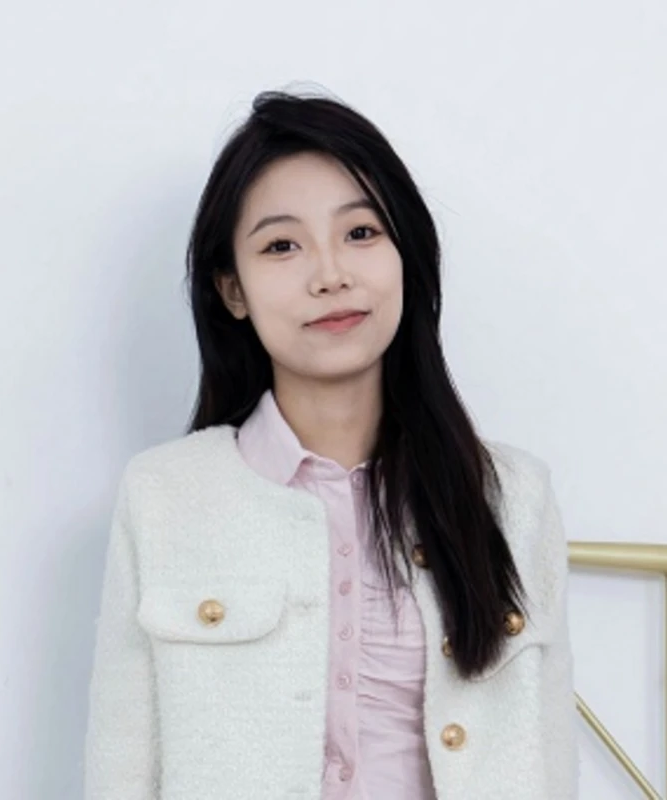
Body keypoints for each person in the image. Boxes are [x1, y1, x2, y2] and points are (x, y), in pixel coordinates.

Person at [83, 89, 580, 800]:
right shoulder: (165, 495)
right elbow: (120, 769)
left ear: (406, 255)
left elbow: (547, 763)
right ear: (232, 290)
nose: (331, 274)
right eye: (282, 246)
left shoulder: (513, 497)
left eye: (361, 232)